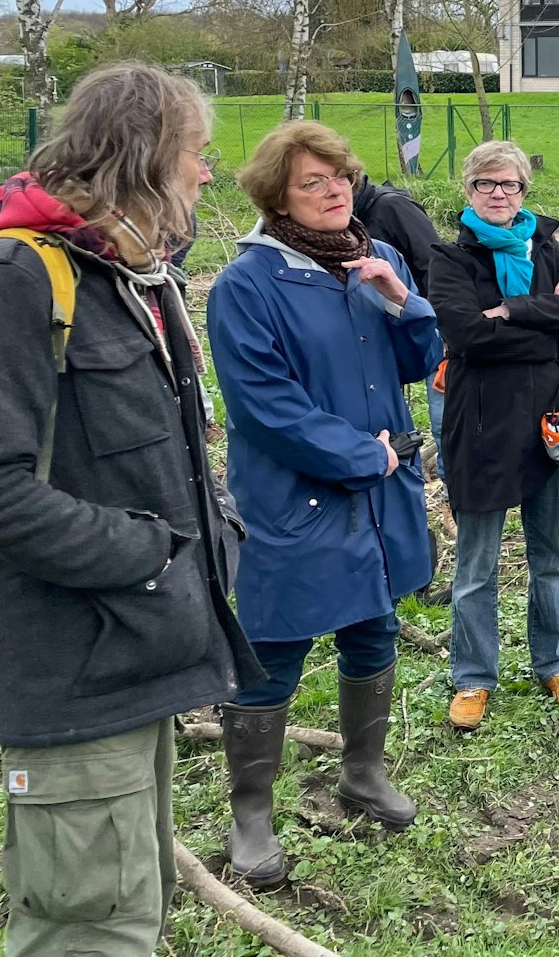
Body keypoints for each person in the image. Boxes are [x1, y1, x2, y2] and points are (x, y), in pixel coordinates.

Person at [0, 62, 259, 957]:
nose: (207, 173)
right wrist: (151, 556)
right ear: (144, 156)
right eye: (196, 152)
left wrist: (212, 534)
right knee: (87, 930)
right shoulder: (12, 278)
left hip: (136, 655)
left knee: (129, 907)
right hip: (75, 668)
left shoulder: (122, 275)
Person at [207, 121, 440, 886]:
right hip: (296, 501)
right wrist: (361, 456)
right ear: (277, 197)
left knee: (374, 630)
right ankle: (251, 813)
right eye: (313, 182)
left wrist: (405, 303)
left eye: (340, 176)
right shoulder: (248, 285)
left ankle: (362, 774)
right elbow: (264, 407)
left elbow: (421, 361)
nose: (335, 190)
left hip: (379, 497)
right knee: (274, 649)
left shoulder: (378, 259)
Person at [429, 142, 559, 731]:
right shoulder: (450, 258)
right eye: (487, 183)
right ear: (469, 190)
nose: (499, 194)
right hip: (480, 425)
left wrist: (511, 311)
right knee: (477, 564)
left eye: (510, 184)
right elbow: (468, 337)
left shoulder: (546, 245)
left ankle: (556, 663)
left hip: (549, 420)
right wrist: (544, 314)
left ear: (524, 189)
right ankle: (473, 677)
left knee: (552, 556)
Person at [354, 174, 448, 471]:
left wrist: (443, 327)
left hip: (430, 324)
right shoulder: (352, 221)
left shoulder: (392, 208)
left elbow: (436, 265)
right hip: (392, 330)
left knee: (443, 417)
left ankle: (452, 484)